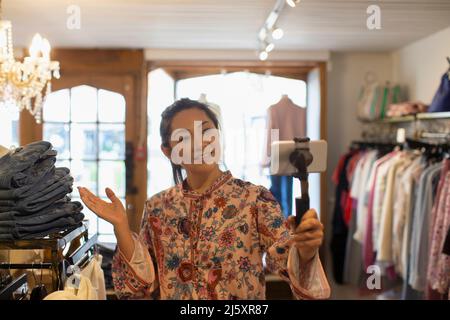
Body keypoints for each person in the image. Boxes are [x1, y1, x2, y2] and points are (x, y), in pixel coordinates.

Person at [78, 98, 330, 300]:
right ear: (169, 152)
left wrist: (305, 250)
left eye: (206, 131)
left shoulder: (255, 199)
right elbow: (140, 287)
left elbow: (285, 261)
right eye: (183, 137)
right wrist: (121, 227)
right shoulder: (158, 207)